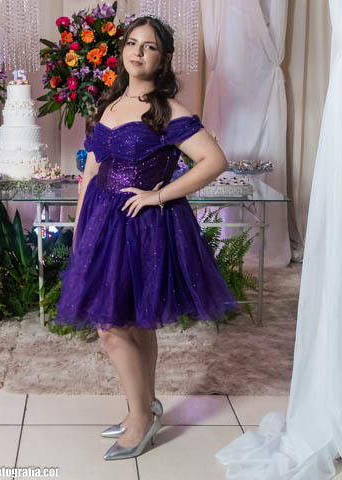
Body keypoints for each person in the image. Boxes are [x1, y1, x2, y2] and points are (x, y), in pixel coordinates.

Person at [54, 16, 239, 461]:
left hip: (143, 226)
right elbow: (91, 171)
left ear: (163, 58)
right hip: (103, 222)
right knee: (134, 322)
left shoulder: (168, 110)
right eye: (132, 43)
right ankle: (146, 406)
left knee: (112, 329)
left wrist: (158, 195)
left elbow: (214, 161)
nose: (137, 52)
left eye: (149, 46)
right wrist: (80, 227)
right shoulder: (109, 104)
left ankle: (140, 420)